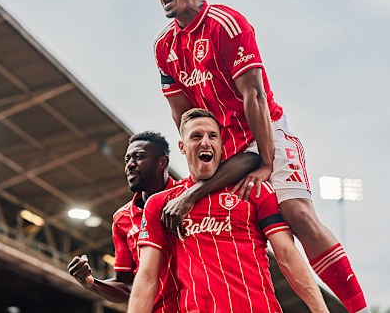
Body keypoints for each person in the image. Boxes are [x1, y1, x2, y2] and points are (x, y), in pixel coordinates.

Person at [154, 0, 369, 312]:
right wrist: (200, 157)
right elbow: (182, 114)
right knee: (261, 236)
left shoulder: (226, 23)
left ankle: (359, 309)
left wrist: (267, 161)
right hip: (226, 147)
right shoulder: (165, 46)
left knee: (297, 214)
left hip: (266, 133)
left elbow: (253, 95)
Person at [128, 108, 329, 313]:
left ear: (221, 145)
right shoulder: (161, 203)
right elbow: (146, 278)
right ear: (182, 146)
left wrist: (321, 311)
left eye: (212, 136)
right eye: (196, 136)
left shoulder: (254, 190)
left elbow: (287, 254)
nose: (205, 142)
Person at [67, 131, 259, 311]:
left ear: (162, 162)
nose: (130, 165)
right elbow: (126, 285)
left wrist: (191, 196)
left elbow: (250, 158)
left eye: (139, 157)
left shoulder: (192, 196)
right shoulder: (121, 219)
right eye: (127, 159)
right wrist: (93, 283)